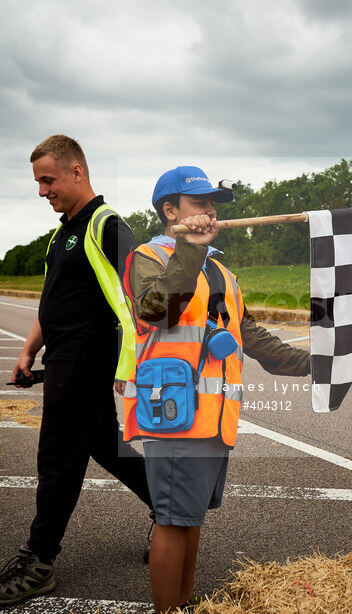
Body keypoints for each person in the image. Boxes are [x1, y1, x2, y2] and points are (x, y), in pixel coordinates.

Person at [0, 135, 153, 606]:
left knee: (57, 460)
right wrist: (29, 348)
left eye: (48, 180)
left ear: (77, 171)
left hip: (85, 364)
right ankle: (171, 507)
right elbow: (54, 300)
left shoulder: (107, 226)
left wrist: (129, 364)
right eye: (38, 182)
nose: (42, 191)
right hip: (62, 359)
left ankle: (39, 561)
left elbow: (139, 299)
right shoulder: (62, 231)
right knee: (105, 448)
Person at [123, 166, 310, 614]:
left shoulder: (219, 268)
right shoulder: (148, 256)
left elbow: (250, 336)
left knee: (190, 518)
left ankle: (186, 604)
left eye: (213, 205)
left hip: (213, 417)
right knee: (171, 520)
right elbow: (158, 310)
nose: (209, 212)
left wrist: (318, 364)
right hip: (172, 411)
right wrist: (190, 249)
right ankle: (168, 610)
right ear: (170, 211)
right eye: (199, 204)